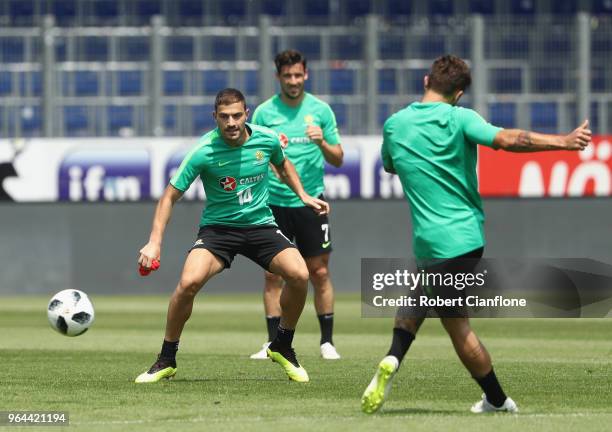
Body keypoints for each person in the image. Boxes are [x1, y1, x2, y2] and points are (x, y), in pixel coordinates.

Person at [361, 55, 591, 414]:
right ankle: (497, 401)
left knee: (417, 301)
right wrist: (563, 142)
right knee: (457, 327)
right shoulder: (460, 118)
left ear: (425, 81)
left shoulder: (394, 125)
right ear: (459, 93)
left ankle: (393, 357)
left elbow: (389, 164)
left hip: (429, 242)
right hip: (464, 240)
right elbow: (509, 139)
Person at [135, 88, 330, 384]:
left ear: (246, 114)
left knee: (300, 275)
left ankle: (282, 345)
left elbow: (282, 163)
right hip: (219, 231)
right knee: (188, 283)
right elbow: (168, 197)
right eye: (224, 117)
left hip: (261, 225)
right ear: (215, 117)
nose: (231, 122)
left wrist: (302, 194)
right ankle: (166, 358)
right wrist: (154, 241)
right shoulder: (204, 151)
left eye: (237, 115)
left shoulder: (266, 138)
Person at [249, 50, 344, 360]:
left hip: (311, 200)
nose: (293, 81)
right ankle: (272, 343)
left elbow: (338, 158)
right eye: (287, 76)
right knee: (272, 275)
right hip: (273, 202)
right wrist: (270, 163)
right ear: (279, 78)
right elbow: (254, 154)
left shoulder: (321, 111)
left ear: (306, 75)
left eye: (298, 75)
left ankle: (327, 342)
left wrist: (321, 142)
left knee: (318, 272)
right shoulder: (263, 113)